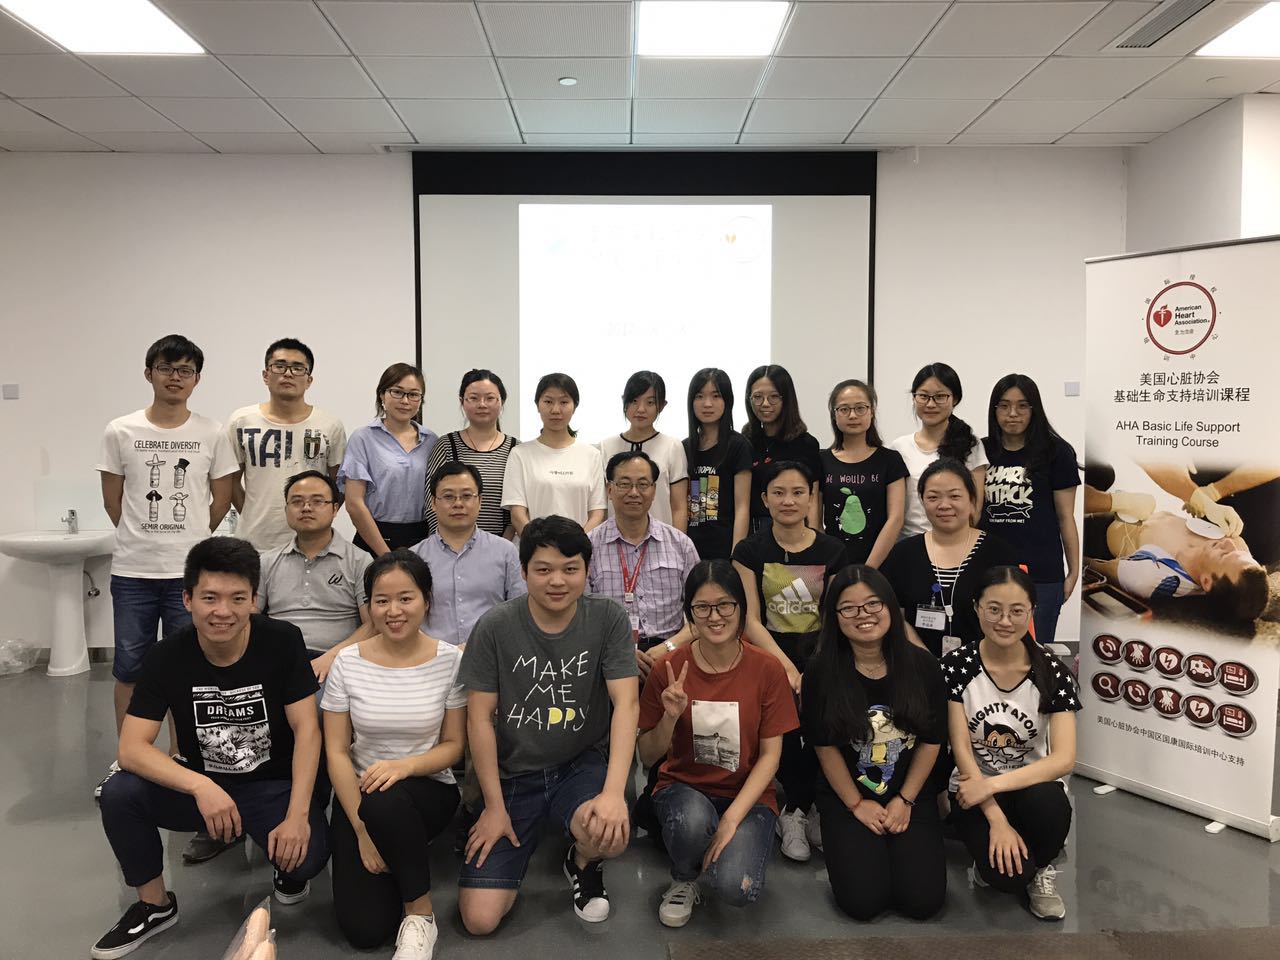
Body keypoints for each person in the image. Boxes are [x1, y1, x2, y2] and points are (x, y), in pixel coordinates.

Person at [93, 538, 330, 960]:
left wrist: (297, 815)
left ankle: (284, 861)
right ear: (187, 600)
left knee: (306, 859)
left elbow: (307, 729)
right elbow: (131, 749)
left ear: (254, 600)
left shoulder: (282, 641)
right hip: (203, 784)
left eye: (237, 598)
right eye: (209, 598)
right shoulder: (166, 656)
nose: (223, 611)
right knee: (119, 792)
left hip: (271, 784)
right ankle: (155, 906)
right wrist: (200, 786)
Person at [457, 516, 637, 934]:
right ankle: (522, 833)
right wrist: (494, 807)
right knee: (480, 920)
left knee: (611, 832)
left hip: (580, 763)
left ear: (586, 571)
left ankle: (583, 860)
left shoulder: (607, 618)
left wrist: (613, 793)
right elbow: (479, 718)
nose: (557, 580)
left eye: (570, 568)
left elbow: (626, 704)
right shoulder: (495, 626)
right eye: (543, 569)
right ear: (523, 572)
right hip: (515, 773)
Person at [96, 334, 238, 796]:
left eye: (185, 370)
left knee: (189, 667)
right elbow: (113, 502)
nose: (175, 377)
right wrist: (145, 536)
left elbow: (220, 499)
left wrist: (189, 539)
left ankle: (184, 756)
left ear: (197, 379)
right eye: (166, 368)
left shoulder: (212, 432)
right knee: (129, 666)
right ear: (149, 373)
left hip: (187, 575)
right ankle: (128, 757)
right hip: (133, 571)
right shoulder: (121, 430)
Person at [323, 550, 466, 959]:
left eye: (406, 598)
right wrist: (361, 830)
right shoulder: (347, 662)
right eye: (381, 601)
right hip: (360, 796)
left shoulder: (450, 661)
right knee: (365, 930)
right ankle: (397, 848)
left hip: (428, 787)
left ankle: (420, 915)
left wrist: (404, 767)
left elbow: (454, 745)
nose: (394, 611)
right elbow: (336, 750)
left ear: (426, 600)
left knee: (385, 799)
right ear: (368, 606)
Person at [638, 560, 797, 927]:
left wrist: (731, 820)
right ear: (689, 613)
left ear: (741, 608)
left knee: (735, 887)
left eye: (725, 605)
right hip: (684, 789)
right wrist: (670, 717)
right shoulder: (668, 669)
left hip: (748, 795)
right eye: (702, 607)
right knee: (692, 823)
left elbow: (771, 757)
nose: (715, 616)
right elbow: (646, 756)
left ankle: (721, 846)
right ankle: (684, 877)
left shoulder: (767, 669)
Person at [802, 565, 947, 921]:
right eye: (848, 608)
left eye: (872, 604)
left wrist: (905, 799)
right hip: (847, 794)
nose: (863, 615)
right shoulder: (820, 671)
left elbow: (931, 741)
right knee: (862, 902)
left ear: (890, 607)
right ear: (835, 617)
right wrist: (856, 804)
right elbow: (823, 746)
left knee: (923, 903)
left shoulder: (923, 666)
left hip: (910, 793)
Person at [944, 565, 1080, 921]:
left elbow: (1063, 759)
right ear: (977, 608)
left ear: (1032, 611)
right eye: (994, 609)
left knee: (1048, 801)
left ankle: (1042, 869)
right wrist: (997, 820)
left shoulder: (1052, 671)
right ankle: (1006, 860)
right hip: (974, 792)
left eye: (1017, 611)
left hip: (1029, 787)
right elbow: (961, 749)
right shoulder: (956, 667)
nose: (1005, 621)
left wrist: (993, 784)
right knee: (1006, 879)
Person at [731, 460, 847, 862]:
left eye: (798, 492)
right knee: (785, 719)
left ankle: (813, 807)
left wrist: (812, 669)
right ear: (764, 499)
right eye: (778, 493)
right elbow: (750, 620)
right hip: (767, 656)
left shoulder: (832, 550)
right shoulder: (749, 551)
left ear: (811, 498)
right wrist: (787, 668)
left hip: (821, 653)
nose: (788, 501)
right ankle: (792, 810)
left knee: (823, 715)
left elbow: (835, 617)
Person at [1082, 468, 1269, 622]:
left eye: (1224, 554)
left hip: (1101, 530)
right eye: (1243, 554)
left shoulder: (1153, 576)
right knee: (1104, 473)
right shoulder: (1236, 550)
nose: (1228, 542)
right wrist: (1206, 500)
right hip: (1133, 507)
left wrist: (1118, 502)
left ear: (1206, 582)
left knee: (1091, 477)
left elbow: (1091, 567)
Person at [980, 374, 1081, 646]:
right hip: (988, 570)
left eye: (1022, 405)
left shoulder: (1057, 452)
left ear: (1034, 409)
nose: (1013, 413)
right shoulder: (981, 451)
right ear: (994, 410)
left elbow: (1065, 517)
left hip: (1042, 573)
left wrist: (1073, 572)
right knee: (988, 650)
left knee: (1034, 653)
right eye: (1004, 405)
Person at [882, 459, 1018, 658]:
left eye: (954, 496)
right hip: (918, 665)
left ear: (972, 500)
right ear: (922, 501)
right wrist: (927, 661)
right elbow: (894, 616)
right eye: (933, 497)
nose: (944, 505)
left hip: (984, 665)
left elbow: (1010, 618)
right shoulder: (903, 554)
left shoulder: (999, 553)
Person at [226, 338, 347, 550]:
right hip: (254, 542)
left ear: (309, 380)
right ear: (266, 375)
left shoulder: (329, 425)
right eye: (279, 366)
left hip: (309, 543)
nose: (288, 373)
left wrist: (318, 518)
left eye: (298, 368)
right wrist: (251, 513)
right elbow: (231, 482)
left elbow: (339, 485)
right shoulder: (242, 421)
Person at [588, 451, 700, 678]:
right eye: (624, 484)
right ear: (609, 490)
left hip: (671, 655)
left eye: (642, 484)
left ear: (654, 490)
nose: (634, 492)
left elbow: (701, 615)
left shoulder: (680, 544)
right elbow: (581, 618)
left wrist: (668, 647)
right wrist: (622, 653)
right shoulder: (589, 547)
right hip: (608, 658)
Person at [257, 470, 373, 681]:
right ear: (286, 509)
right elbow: (249, 616)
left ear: (335, 509)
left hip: (337, 662)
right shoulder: (267, 561)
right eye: (297, 502)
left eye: (317, 501)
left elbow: (372, 624)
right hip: (277, 660)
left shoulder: (359, 560)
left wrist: (332, 658)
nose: (306, 508)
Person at [413, 462, 526, 648]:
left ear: (480, 501)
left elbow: (520, 612)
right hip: (432, 658)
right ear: (433, 503)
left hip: (492, 655)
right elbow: (408, 618)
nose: (458, 504)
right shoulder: (414, 557)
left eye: (466, 496)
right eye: (448, 496)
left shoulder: (506, 552)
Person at [340, 363, 437, 556]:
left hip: (422, 539)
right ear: (382, 395)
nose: (405, 401)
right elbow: (354, 503)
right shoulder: (363, 438)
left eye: (413, 394)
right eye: (397, 392)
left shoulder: (432, 440)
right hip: (374, 539)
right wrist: (386, 556)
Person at [501, 373, 606, 536]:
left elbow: (597, 513)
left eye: (564, 402)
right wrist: (537, 546)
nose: (556, 410)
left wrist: (578, 545)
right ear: (537, 405)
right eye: (548, 401)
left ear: (575, 406)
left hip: (579, 549)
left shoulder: (592, 455)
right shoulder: (520, 454)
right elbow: (517, 514)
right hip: (534, 549)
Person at [889, 363, 987, 538]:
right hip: (909, 543)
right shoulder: (899, 448)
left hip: (956, 543)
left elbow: (974, 510)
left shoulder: (970, 445)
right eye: (923, 396)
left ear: (955, 399)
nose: (930, 404)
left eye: (940, 396)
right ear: (914, 398)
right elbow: (894, 512)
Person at [421, 369, 519, 540]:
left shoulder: (516, 449)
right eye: (474, 398)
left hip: (501, 546)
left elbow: (518, 509)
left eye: (490, 398)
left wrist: (500, 547)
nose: (482, 404)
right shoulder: (446, 445)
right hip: (450, 545)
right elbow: (432, 503)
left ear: (501, 401)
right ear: (462, 402)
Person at [821, 379, 908, 567]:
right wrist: (831, 566)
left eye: (860, 408)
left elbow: (896, 519)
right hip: (832, 564)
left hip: (880, 565)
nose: (853, 415)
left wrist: (869, 570)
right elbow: (814, 521)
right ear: (834, 415)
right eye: (844, 409)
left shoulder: (890, 460)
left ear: (872, 412)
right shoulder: (821, 460)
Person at [599, 371, 689, 530]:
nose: (641, 409)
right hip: (614, 539)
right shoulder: (606, 446)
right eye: (634, 401)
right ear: (624, 401)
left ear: (662, 405)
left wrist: (678, 543)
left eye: (650, 402)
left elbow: (679, 507)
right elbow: (601, 505)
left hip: (661, 540)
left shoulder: (672, 446)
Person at [683, 368, 753, 561]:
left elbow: (742, 507)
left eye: (716, 396)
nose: (707, 404)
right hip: (690, 550)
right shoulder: (684, 447)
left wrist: (736, 556)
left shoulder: (738, 446)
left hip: (724, 550)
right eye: (699, 396)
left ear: (727, 401)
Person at [742, 365, 823, 532]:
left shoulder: (805, 444)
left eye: (773, 397)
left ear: (786, 399)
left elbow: (812, 502)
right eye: (757, 397)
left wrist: (814, 538)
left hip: (792, 530)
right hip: (752, 532)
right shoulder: (745, 441)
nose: (765, 404)